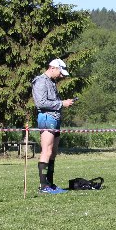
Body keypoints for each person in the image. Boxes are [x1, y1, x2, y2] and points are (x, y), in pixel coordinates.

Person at [31, 58, 75, 194]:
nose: (61, 76)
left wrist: (63, 103)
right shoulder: (40, 81)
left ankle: (50, 183)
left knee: (53, 152)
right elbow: (41, 103)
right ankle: (43, 186)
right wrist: (62, 103)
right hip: (46, 118)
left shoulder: (51, 82)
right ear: (52, 68)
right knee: (47, 151)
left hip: (55, 118)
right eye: (60, 72)